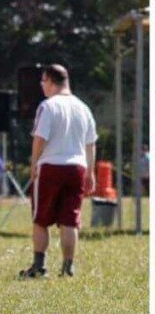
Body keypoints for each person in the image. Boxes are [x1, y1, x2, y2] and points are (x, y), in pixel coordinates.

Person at [21, 65, 97, 278]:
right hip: (77, 168)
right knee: (70, 220)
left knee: (41, 219)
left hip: (50, 166)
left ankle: (39, 266)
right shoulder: (83, 107)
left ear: (51, 81)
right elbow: (91, 143)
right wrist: (90, 172)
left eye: (43, 81)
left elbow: (40, 138)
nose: (41, 85)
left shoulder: (47, 106)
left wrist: (34, 164)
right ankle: (68, 267)